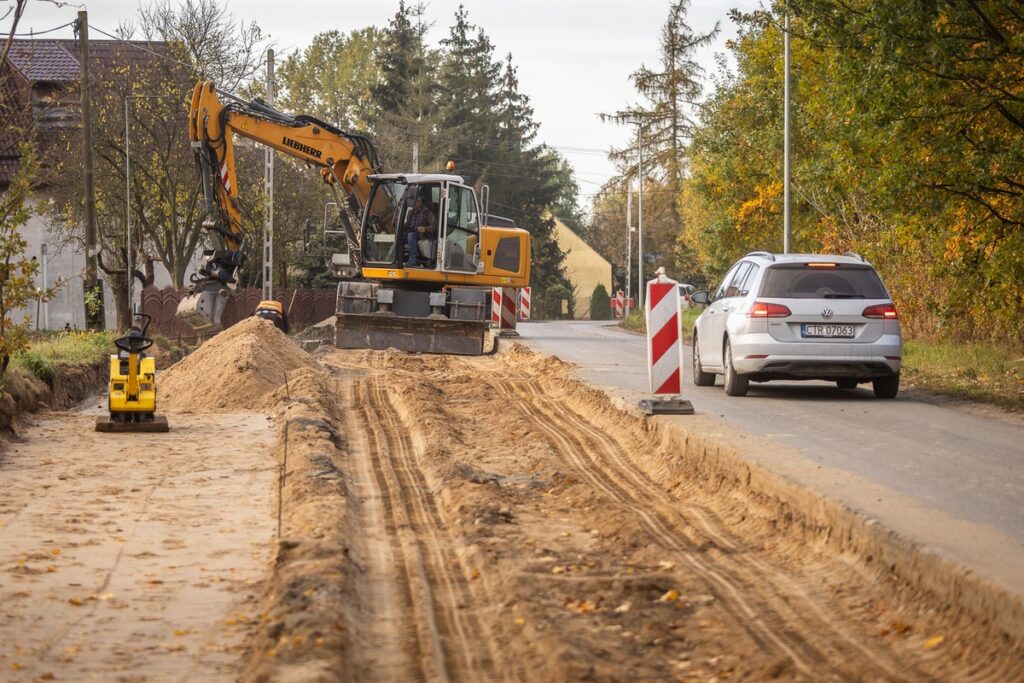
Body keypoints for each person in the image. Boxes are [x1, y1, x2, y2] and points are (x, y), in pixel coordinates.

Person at [405, 196, 436, 267]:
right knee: (398, 236)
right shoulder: (410, 212)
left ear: (419, 202)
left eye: (415, 202)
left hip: (421, 234)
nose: (413, 204)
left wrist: (425, 229)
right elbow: (407, 225)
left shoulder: (427, 213)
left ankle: (414, 260)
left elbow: (434, 226)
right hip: (410, 231)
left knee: (411, 236)